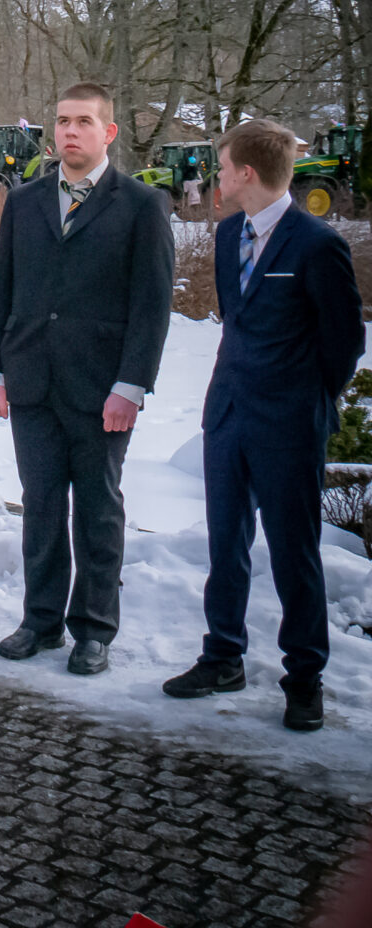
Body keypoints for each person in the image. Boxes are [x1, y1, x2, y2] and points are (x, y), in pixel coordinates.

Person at [161, 119, 362, 731]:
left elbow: (344, 343)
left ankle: (304, 678)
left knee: (294, 553)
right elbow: (237, 323)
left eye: (222, 169)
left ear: (246, 173)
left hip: (289, 425)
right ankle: (223, 656)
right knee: (225, 545)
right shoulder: (229, 235)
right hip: (227, 417)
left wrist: (305, 403)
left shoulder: (316, 244)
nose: (216, 179)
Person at [0, 82, 174, 676]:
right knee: (40, 506)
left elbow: (152, 306)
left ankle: (93, 629)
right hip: (31, 379)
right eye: (63, 121)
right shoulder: (26, 201)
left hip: (102, 388)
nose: (70, 131)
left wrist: (131, 385)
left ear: (108, 132)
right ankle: (40, 622)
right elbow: (2, 289)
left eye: (83, 121)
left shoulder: (141, 205)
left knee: (97, 510)